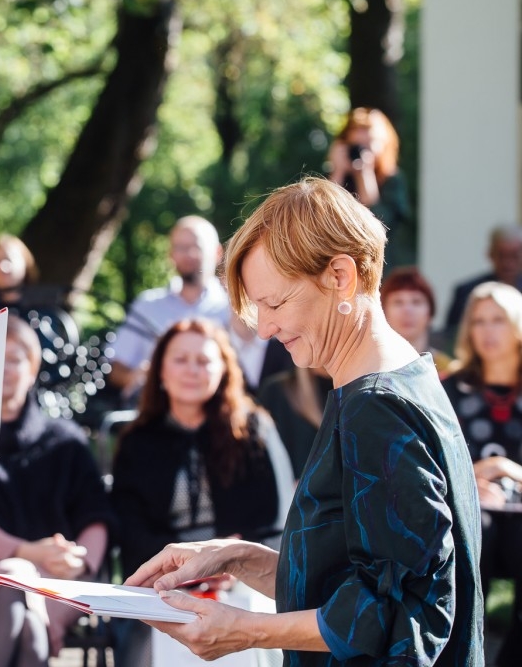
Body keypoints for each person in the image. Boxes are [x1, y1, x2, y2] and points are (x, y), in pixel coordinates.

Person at [125, 177, 483, 666]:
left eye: (274, 304)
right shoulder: (392, 379)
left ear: (340, 276)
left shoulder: (377, 406)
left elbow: (404, 612)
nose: (266, 328)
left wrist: (248, 631)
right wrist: (239, 558)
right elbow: (359, 579)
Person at [110, 318, 293, 667]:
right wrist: (180, 575)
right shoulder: (138, 441)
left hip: (244, 580)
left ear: (224, 370)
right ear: (160, 371)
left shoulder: (254, 431)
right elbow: (130, 526)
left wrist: (234, 564)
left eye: (204, 361)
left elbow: (278, 521)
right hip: (163, 581)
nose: (192, 370)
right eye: (180, 360)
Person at [0, 315, 112, 666]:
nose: (4, 370)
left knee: (26, 605)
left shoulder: (67, 443)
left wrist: (81, 563)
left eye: (14, 360)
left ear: (32, 370)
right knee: (18, 580)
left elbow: (97, 515)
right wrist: (29, 554)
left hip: (60, 582)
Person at [442, 281, 522, 665]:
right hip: (471, 511)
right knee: (477, 532)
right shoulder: (449, 389)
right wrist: (476, 476)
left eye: (498, 320)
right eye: (479, 321)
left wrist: (506, 469)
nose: (488, 332)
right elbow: (433, 461)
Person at [107, 216, 233, 398]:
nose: (189, 254)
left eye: (197, 246)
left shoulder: (234, 309)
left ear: (217, 253)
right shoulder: (147, 306)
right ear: (171, 254)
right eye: (180, 247)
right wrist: (142, 378)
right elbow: (117, 369)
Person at [326, 107, 412, 271]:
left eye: (368, 145)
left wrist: (364, 175)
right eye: (356, 146)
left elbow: (381, 225)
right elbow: (322, 217)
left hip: (381, 266)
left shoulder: (393, 181)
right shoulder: (334, 180)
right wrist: (338, 172)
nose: (361, 152)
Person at [444, 224, 522, 340]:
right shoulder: (466, 292)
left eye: (514, 256)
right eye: (502, 256)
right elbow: (452, 338)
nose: (507, 263)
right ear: (490, 254)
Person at [381, 265, 452, 374]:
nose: (407, 310)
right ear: (383, 311)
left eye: (416, 302)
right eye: (398, 302)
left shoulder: (449, 371)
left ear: (430, 312)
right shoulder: (369, 367)